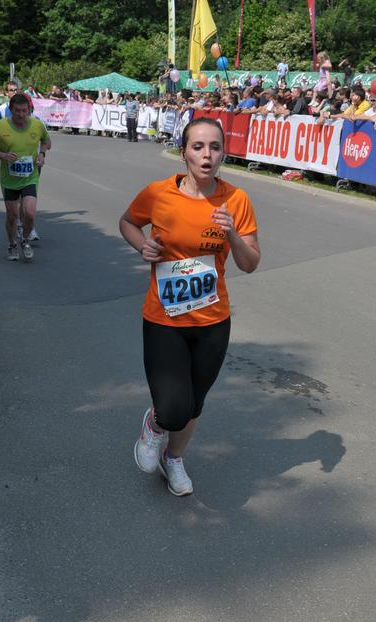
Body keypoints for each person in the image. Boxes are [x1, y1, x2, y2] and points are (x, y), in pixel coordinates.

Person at [119, 117, 260, 496]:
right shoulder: (158, 193)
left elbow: (250, 263)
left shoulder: (236, 200)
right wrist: (142, 246)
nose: (207, 155)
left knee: (195, 403)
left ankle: (174, 459)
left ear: (223, 153)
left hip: (213, 321)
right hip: (164, 319)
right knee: (174, 408)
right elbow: (128, 222)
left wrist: (233, 234)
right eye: (198, 147)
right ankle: (154, 426)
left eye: (215, 147)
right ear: (183, 152)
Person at [0, 93, 51, 261]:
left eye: (24, 111)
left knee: (30, 213)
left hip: (30, 177)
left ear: (29, 110)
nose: (21, 114)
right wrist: (4, 156)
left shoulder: (37, 125)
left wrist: (42, 154)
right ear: (11, 110)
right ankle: (12, 243)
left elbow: (46, 142)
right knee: (12, 216)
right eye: (17, 111)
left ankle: (25, 240)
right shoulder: (0, 127)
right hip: (9, 179)